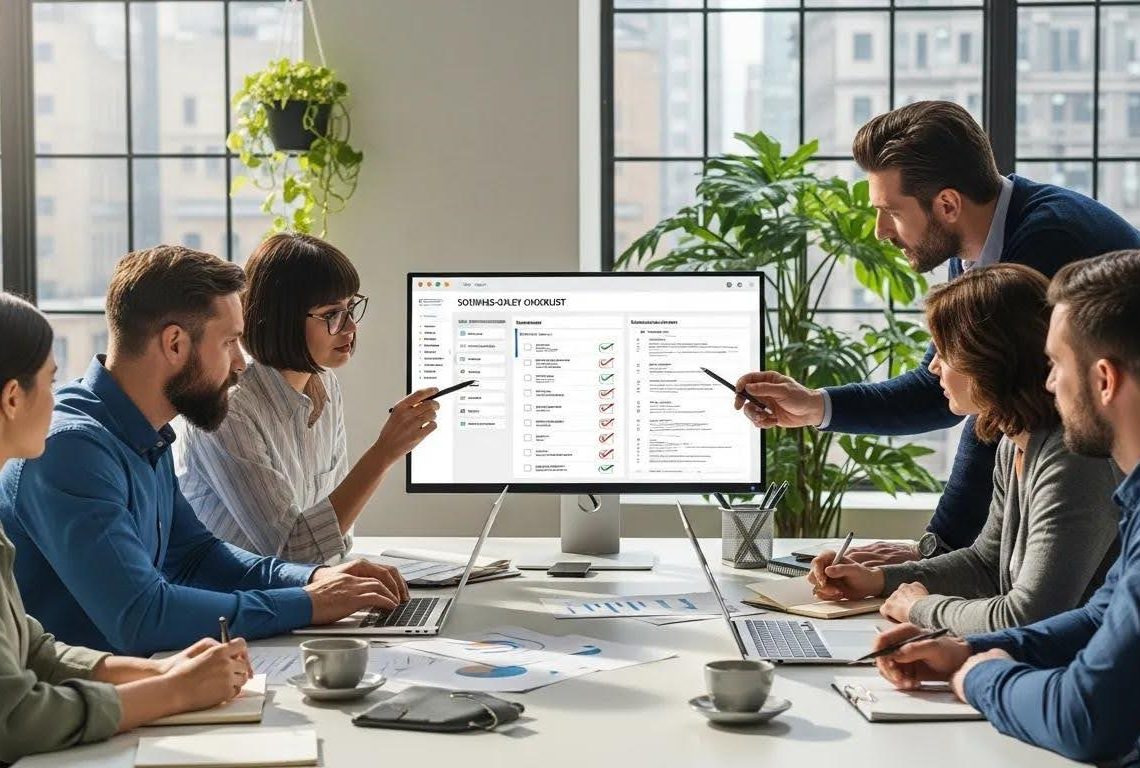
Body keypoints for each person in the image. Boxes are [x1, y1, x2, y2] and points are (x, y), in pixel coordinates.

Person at [734, 100, 1140, 566]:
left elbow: (995, 407)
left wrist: (936, 550)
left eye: (892, 212)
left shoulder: (1045, 243)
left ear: (947, 204)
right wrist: (814, 405)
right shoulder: (973, 242)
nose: (880, 231)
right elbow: (939, 386)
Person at [0, 245, 410, 657]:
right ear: (175, 343)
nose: (239, 364)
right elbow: (143, 616)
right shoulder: (73, 450)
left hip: (141, 679)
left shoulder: (144, 431)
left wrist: (316, 579)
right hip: (83, 704)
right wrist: (308, 603)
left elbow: (198, 556)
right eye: (230, 342)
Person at [871, 251, 1140, 764]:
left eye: (1058, 364)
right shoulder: (1134, 500)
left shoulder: (1076, 461)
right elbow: (1098, 617)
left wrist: (979, 676)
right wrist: (965, 650)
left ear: (1103, 380)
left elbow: (1087, 718)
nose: (1048, 381)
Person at [0, 292, 256, 763]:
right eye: (50, 382)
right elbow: (12, 717)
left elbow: (35, 653)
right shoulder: (72, 446)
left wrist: (160, 673)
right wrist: (173, 693)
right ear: (13, 398)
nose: (58, 399)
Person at [806, 264, 1120, 635]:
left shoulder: (1072, 459)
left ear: (989, 360)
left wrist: (922, 608)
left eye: (944, 352)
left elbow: (1026, 617)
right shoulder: (1013, 444)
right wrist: (877, 579)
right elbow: (985, 565)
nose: (934, 367)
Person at [175, 234, 438, 563]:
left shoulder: (325, 384)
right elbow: (290, 550)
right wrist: (383, 453)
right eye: (332, 315)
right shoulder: (230, 409)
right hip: (238, 605)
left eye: (350, 307)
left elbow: (335, 538)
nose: (351, 327)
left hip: (300, 593)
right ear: (281, 318)